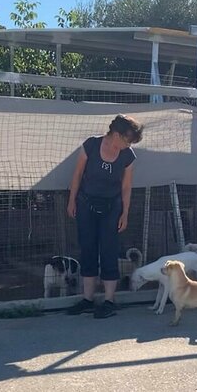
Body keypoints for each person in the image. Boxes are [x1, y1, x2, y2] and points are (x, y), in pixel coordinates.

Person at [65, 114, 144, 319]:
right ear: (116, 134)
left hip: (111, 207)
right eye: (128, 140)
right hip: (86, 204)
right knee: (88, 248)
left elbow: (126, 187)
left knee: (109, 251)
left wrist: (124, 213)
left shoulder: (128, 156)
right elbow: (77, 175)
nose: (129, 145)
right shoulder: (91, 146)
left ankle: (109, 301)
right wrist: (72, 200)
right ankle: (88, 300)